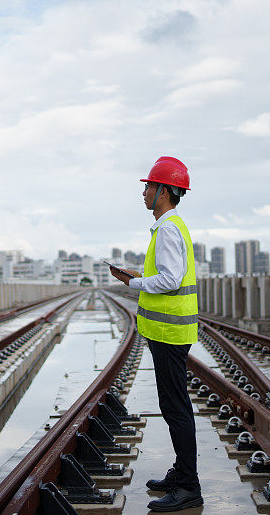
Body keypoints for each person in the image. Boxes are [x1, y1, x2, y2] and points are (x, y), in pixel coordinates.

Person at [109, 156, 203, 512]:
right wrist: (139, 276)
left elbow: (170, 279)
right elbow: (169, 274)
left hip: (169, 332)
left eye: (148, 186)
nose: (144, 193)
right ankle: (181, 474)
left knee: (176, 408)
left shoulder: (166, 228)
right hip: (170, 331)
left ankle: (188, 486)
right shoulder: (173, 225)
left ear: (164, 191)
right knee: (173, 405)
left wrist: (134, 282)